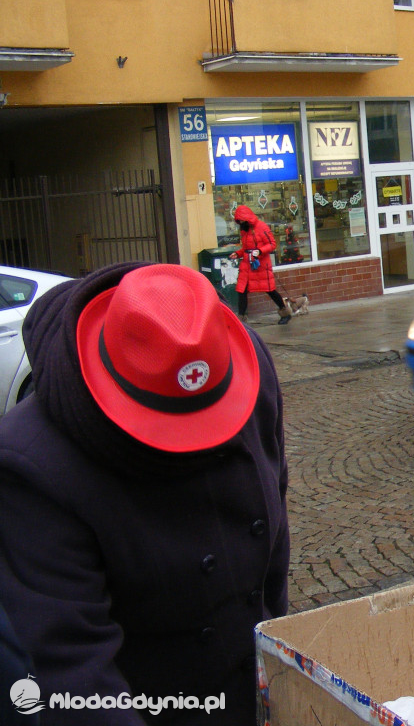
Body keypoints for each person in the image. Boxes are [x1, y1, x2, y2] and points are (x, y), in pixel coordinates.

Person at [0, 262, 290, 725]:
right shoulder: (33, 464)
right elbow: (73, 668)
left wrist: (280, 667)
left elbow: (273, 539)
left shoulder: (244, 365)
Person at [231, 204, 291, 325]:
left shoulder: (261, 227)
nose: (241, 223)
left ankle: (285, 312)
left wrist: (260, 251)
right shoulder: (245, 230)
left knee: (269, 289)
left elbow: (272, 244)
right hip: (248, 264)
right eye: (239, 221)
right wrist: (237, 254)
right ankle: (241, 319)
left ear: (247, 219)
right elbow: (246, 248)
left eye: (241, 220)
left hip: (260, 264)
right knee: (242, 290)